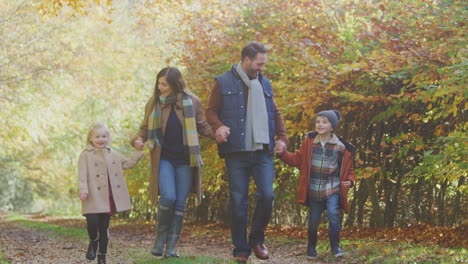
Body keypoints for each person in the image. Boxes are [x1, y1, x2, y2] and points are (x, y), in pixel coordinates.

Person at [206, 41, 288, 264]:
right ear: (246, 60)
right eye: (259, 64)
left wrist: (282, 137)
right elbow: (211, 110)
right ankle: (241, 249)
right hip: (236, 151)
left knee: (267, 196)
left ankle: (257, 239)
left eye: (263, 64)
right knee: (238, 200)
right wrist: (219, 126)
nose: (262, 68)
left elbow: (275, 111)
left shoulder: (265, 83)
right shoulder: (223, 81)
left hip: (262, 150)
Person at [132, 67, 214, 258]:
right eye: (159, 84)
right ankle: (160, 240)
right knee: (168, 196)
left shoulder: (191, 102)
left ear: (176, 84)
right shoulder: (154, 103)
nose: (160, 88)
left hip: (186, 159)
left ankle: (171, 247)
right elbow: (144, 129)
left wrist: (217, 135)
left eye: (164, 84)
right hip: (164, 158)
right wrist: (138, 139)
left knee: (179, 203)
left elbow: (201, 125)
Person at [276, 110, 355, 260]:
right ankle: (311, 248)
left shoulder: (340, 146)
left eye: (324, 122)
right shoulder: (309, 143)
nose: (320, 124)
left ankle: (335, 247)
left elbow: (349, 168)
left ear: (332, 126)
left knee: (333, 214)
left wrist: (350, 180)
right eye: (318, 121)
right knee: (313, 222)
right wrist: (282, 153)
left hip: (332, 188)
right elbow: (297, 160)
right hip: (314, 190)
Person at [78, 122, 144, 264]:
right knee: (92, 224)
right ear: (90, 138)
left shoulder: (112, 154)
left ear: (108, 137)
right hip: (92, 195)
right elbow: (82, 175)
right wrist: (83, 190)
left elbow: (127, 164)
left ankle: (102, 256)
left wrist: (138, 151)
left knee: (104, 228)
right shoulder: (85, 155)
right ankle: (93, 242)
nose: (101, 139)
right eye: (97, 137)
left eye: (104, 136)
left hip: (108, 197)